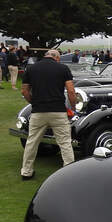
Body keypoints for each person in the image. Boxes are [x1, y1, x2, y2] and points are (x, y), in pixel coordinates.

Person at [20, 49, 77, 180]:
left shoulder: (31, 68)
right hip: (58, 111)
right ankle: (69, 172)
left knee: (32, 142)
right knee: (65, 143)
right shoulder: (63, 68)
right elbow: (71, 91)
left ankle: (26, 172)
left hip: (38, 111)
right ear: (57, 58)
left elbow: (24, 91)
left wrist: (33, 102)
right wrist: (73, 106)